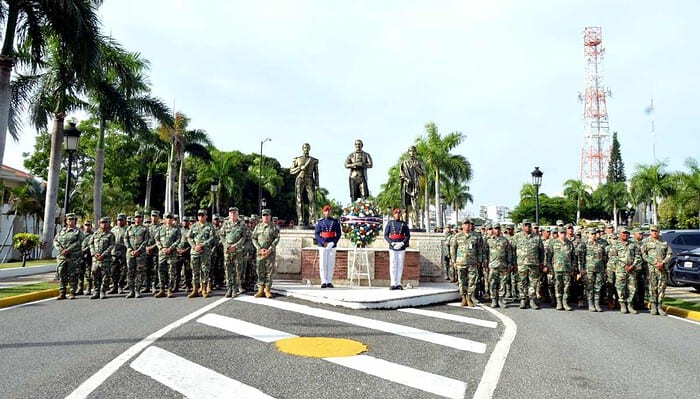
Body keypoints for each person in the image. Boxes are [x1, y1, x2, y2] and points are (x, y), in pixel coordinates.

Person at [608, 227, 642, 314]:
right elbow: (613, 257)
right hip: (620, 270)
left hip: (632, 270)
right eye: (623, 233)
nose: (625, 235)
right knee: (620, 287)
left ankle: (630, 305)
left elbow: (638, 256)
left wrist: (633, 265)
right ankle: (622, 304)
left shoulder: (633, 244)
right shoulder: (615, 244)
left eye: (627, 233)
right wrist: (624, 265)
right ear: (619, 234)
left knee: (632, 288)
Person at [450, 218, 483, 306]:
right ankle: (463, 298)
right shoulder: (457, 236)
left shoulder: (477, 236)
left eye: (469, 224)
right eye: (465, 224)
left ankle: (469, 297)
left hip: (473, 262)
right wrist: (453, 261)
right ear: (462, 225)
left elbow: (480, 249)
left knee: (472, 281)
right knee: (462, 281)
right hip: (461, 262)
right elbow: (453, 249)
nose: (467, 225)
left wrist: (479, 260)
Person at [512, 219, 544, 309]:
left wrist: (541, 262)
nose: (527, 227)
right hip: (521, 264)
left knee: (533, 283)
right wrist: (514, 263)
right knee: (522, 282)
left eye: (529, 225)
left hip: (534, 264)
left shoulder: (537, 237)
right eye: (525, 225)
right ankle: (523, 299)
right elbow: (512, 251)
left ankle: (532, 300)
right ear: (522, 226)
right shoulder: (517, 237)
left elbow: (541, 251)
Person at [642, 225, 672, 316]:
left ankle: (659, 306)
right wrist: (655, 263)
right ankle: (653, 306)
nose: (654, 232)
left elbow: (669, 253)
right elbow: (644, 255)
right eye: (652, 231)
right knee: (652, 288)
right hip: (651, 269)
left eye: (656, 231)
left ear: (659, 231)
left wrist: (663, 262)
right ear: (650, 231)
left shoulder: (664, 242)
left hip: (662, 269)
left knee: (661, 288)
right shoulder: (645, 241)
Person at [220, 207, 250, 297]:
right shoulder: (226, 223)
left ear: (237, 213)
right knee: (228, 270)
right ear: (229, 214)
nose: (232, 214)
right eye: (231, 213)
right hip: (228, 250)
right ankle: (229, 288)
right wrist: (226, 245)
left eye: (234, 213)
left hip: (237, 250)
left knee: (237, 270)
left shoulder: (242, 223)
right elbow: (222, 235)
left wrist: (236, 246)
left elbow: (244, 237)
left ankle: (235, 290)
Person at [53, 213, 84, 300]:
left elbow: (79, 242)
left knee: (72, 275)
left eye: (73, 219)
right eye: (69, 219)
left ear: (75, 221)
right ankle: (62, 293)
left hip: (73, 257)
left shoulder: (78, 232)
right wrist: (60, 249)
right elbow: (55, 241)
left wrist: (68, 250)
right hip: (62, 256)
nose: (71, 221)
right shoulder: (61, 231)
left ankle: (72, 292)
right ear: (66, 221)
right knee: (62, 274)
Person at [252, 209, 280, 298]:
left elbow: (277, 239)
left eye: (267, 215)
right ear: (262, 216)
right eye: (264, 215)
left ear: (270, 216)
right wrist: (259, 249)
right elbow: (253, 238)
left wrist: (270, 249)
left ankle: (267, 289)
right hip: (260, 253)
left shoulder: (274, 227)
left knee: (269, 271)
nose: (266, 217)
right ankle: (260, 289)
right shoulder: (258, 227)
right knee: (260, 270)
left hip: (270, 253)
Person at [188, 209, 216, 298]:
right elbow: (189, 237)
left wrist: (202, 245)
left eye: (202, 215)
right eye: (199, 215)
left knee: (205, 271)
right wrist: (194, 246)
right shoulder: (194, 226)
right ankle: (195, 290)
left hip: (205, 252)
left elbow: (212, 238)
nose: (200, 217)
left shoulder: (210, 226)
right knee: (195, 271)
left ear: (206, 216)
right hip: (195, 252)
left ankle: (204, 289)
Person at [290, 143, 319, 227]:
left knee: (312, 200)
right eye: (305, 147)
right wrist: (299, 168)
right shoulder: (298, 159)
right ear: (302, 149)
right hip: (300, 179)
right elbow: (291, 171)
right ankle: (300, 220)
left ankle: (312, 220)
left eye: (307, 147)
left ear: (309, 149)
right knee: (299, 200)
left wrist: (317, 183)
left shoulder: (313, 160)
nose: (306, 149)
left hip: (310, 180)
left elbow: (316, 173)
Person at [547, 227, 575, 311]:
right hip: (557, 268)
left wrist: (573, 267)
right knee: (558, 285)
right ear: (558, 234)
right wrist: (550, 268)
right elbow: (549, 257)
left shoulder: (570, 243)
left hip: (567, 268)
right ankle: (559, 302)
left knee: (566, 286)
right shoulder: (553, 243)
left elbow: (573, 257)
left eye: (564, 233)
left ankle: (565, 302)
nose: (563, 234)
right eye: (561, 233)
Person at [154, 213, 181, 298]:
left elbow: (178, 240)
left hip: (171, 253)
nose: (168, 220)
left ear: (173, 219)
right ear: (164, 219)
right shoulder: (160, 229)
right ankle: (162, 289)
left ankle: (170, 289)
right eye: (167, 218)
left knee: (171, 272)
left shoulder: (176, 229)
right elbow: (157, 239)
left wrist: (170, 248)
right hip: (162, 253)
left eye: (170, 218)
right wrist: (161, 248)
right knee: (161, 271)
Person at [88, 217, 115, 299]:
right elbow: (90, 244)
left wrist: (104, 254)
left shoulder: (110, 235)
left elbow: (111, 245)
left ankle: (103, 291)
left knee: (105, 275)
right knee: (95, 274)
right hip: (95, 259)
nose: (104, 224)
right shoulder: (95, 234)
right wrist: (94, 253)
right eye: (102, 222)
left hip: (105, 259)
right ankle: (96, 291)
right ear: (99, 224)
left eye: (105, 222)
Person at [486, 224, 512, 308]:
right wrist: (485, 264)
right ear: (493, 230)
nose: (497, 230)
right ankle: (494, 299)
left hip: (503, 265)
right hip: (493, 266)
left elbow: (509, 253)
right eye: (495, 229)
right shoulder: (488, 240)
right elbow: (485, 253)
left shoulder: (504, 240)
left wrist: (509, 264)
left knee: (502, 283)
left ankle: (501, 299)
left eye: (498, 229)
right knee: (493, 283)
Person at [315, 204, 342, 288]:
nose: (327, 212)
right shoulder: (320, 222)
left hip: (332, 244)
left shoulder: (335, 222)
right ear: (323, 212)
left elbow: (338, 233)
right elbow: (316, 234)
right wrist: (323, 242)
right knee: (323, 263)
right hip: (323, 245)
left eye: (329, 211)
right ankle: (323, 281)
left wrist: (333, 242)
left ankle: (329, 281)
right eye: (326, 211)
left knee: (330, 263)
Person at [125, 211, 150, 299]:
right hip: (130, 254)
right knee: (130, 272)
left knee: (139, 272)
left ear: (142, 218)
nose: (138, 219)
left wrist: (139, 250)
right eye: (136, 217)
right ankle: (131, 291)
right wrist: (130, 249)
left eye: (139, 217)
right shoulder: (129, 229)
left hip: (140, 254)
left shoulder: (145, 229)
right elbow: (126, 240)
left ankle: (137, 290)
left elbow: (146, 241)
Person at [385, 208, 411, 290]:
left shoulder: (404, 224)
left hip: (401, 246)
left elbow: (408, 235)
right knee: (393, 265)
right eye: (396, 213)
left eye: (399, 214)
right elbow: (386, 235)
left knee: (400, 265)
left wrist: (402, 243)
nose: (397, 215)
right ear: (394, 214)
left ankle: (398, 283)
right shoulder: (390, 223)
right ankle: (393, 283)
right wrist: (392, 243)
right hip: (392, 246)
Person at [400, 145, 425, 228]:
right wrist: (406, 179)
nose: (412, 152)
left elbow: (423, 173)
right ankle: (404, 223)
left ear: (416, 152)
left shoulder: (419, 162)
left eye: (414, 151)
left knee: (415, 206)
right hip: (406, 185)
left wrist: (416, 167)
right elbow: (401, 174)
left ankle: (415, 224)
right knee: (404, 205)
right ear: (408, 152)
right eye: (410, 151)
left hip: (415, 185)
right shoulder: (404, 163)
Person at [583, 227, 607, 312]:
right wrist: (581, 269)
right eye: (592, 234)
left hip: (599, 268)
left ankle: (597, 303)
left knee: (598, 286)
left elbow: (604, 257)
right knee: (589, 286)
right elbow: (581, 257)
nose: (593, 235)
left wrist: (605, 268)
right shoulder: (584, 244)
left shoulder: (600, 244)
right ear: (588, 234)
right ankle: (590, 303)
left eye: (594, 234)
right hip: (588, 269)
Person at [108, 213, 128, 294]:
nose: (119, 222)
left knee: (123, 271)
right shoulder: (113, 230)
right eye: (118, 220)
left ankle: (120, 286)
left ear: (125, 220)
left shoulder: (128, 229)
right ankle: (115, 286)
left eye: (121, 220)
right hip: (114, 253)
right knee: (113, 271)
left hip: (124, 253)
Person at [78, 220, 93, 295]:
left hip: (89, 257)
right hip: (80, 257)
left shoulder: (93, 235)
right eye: (86, 225)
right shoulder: (80, 234)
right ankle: (80, 288)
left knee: (88, 274)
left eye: (88, 225)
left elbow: (91, 245)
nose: (87, 226)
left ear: (91, 226)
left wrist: (84, 250)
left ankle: (88, 288)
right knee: (80, 273)